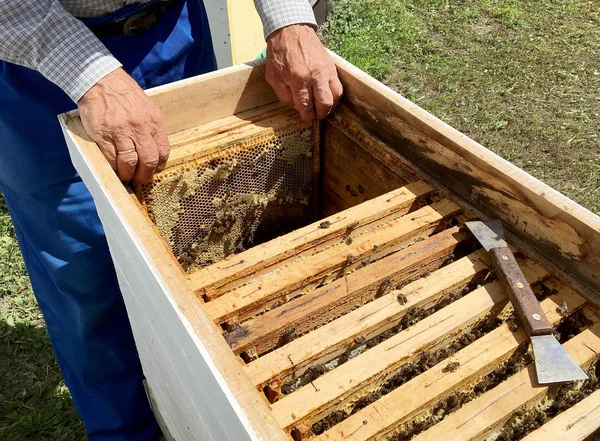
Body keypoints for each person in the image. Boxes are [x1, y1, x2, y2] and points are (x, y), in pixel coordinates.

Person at [0, 1, 343, 439]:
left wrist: (288, 19)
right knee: (83, 278)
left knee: (213, 237)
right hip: (42, 64)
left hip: (174, 32)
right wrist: (89, 77)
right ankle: (125, 431)